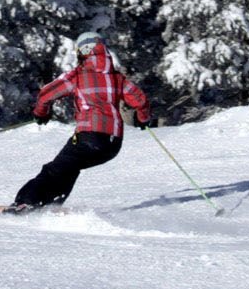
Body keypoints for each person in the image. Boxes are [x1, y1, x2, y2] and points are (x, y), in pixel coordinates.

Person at [10, 32, 151, 212]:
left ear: (82, 51)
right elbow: (140, 100)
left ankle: (25, 203)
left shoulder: (77, 75)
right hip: (112, 144)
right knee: (70, 167)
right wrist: (143, 118)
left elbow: (46, 94)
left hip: (90, 137)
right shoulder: (117, 78)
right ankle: (50, 204)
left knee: (55, 169)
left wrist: (41, 113)